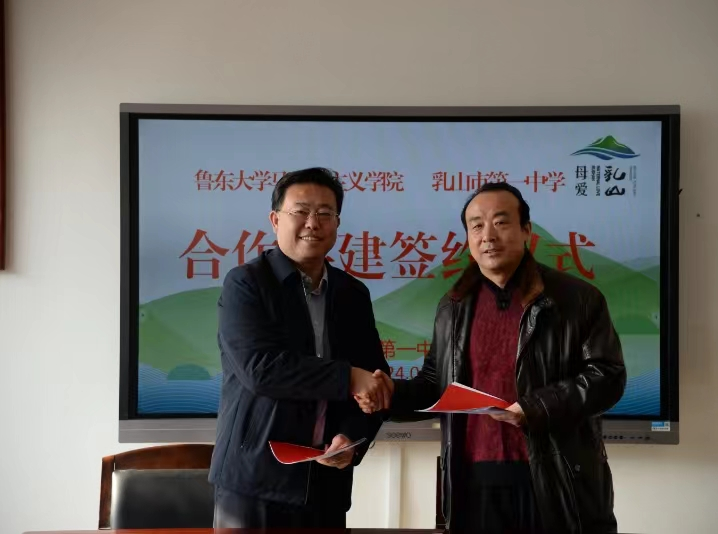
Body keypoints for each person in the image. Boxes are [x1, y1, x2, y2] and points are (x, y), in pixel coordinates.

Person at [358, 182, 626, 534]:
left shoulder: (578, 299)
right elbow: (436, 386)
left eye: (500, 222)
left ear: (526, 230)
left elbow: (607, 376)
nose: (488, 236)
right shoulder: (452, 307)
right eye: (476, 226)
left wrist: (535, 407)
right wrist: (390, 395)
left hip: (553, 478)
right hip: (474, 481)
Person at [209, 167, 392, 529]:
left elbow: (375, 380)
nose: (313, 222)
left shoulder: (352, 294)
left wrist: (351, 439)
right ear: (275, 220)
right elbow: (261, 370)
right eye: (301, 211)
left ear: (337, 223)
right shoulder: (246, 284)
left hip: (325, 484)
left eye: (325, 213)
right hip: (254, 484)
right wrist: (347, 378)